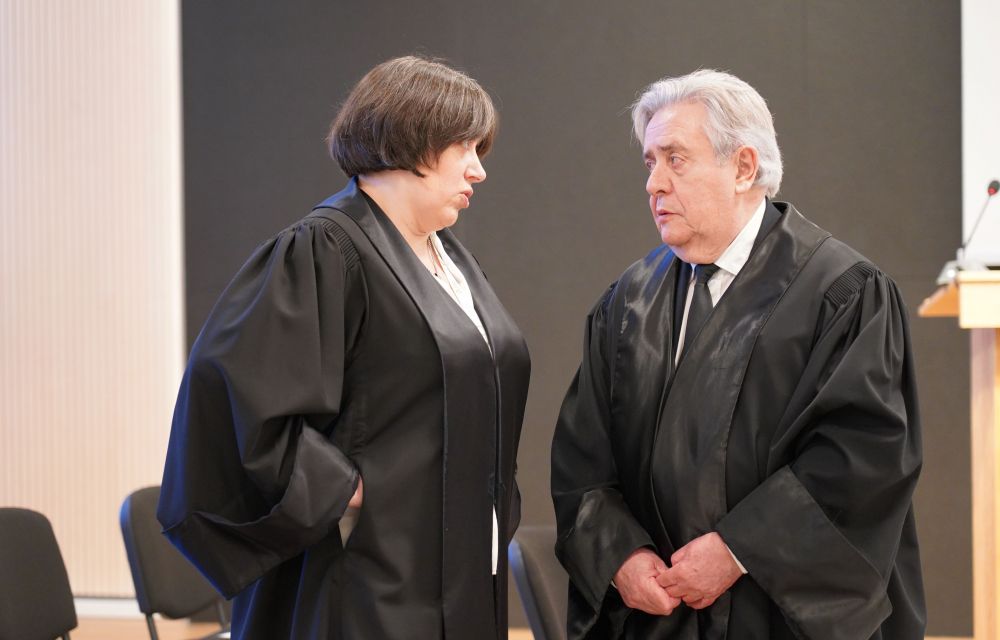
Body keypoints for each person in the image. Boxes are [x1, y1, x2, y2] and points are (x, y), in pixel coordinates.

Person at [157, 56, 531, 640]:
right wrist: (350, 493)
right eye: (464, 146)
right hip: (362, 580)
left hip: (459, 572)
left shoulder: (449, 259)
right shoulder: (325, 249)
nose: (478, 170)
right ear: (411, 138)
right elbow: (237, 404)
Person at [550, 69, 924, 639]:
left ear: (744, 168)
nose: (653, 183)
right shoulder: (629, 301)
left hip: (774, 618)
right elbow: (583, 459)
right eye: (650, 162)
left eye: (675, 159)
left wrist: (737, 549)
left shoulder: (840, 294)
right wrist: (620, 554)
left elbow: (861, 458)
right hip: (659, 619)